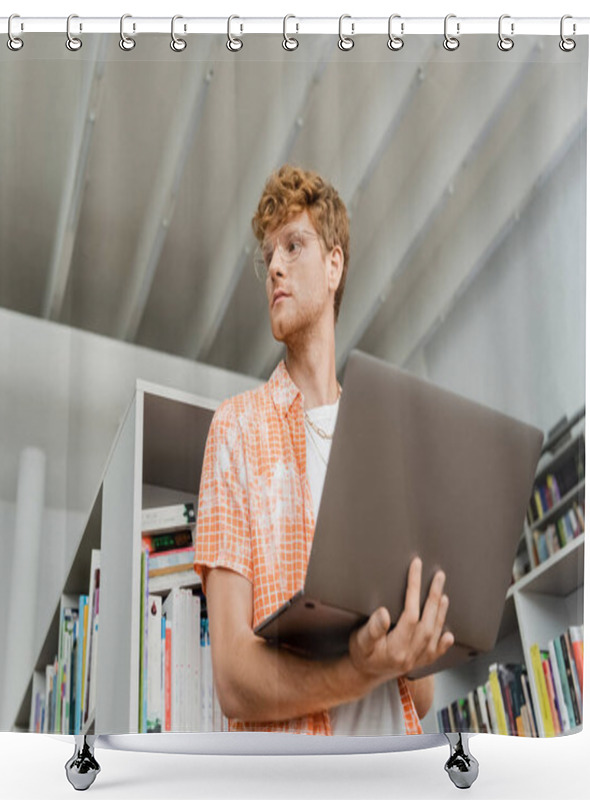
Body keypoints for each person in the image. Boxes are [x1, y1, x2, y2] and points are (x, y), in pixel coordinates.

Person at [193, 164, 453, 735]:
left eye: (293, 245)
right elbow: (234, 679)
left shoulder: (387, 445)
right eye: (268, 257)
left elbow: (424, 691)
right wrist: (358, 670)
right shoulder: (235, 430)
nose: (275, 267)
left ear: (334, 264)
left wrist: (416, 638)